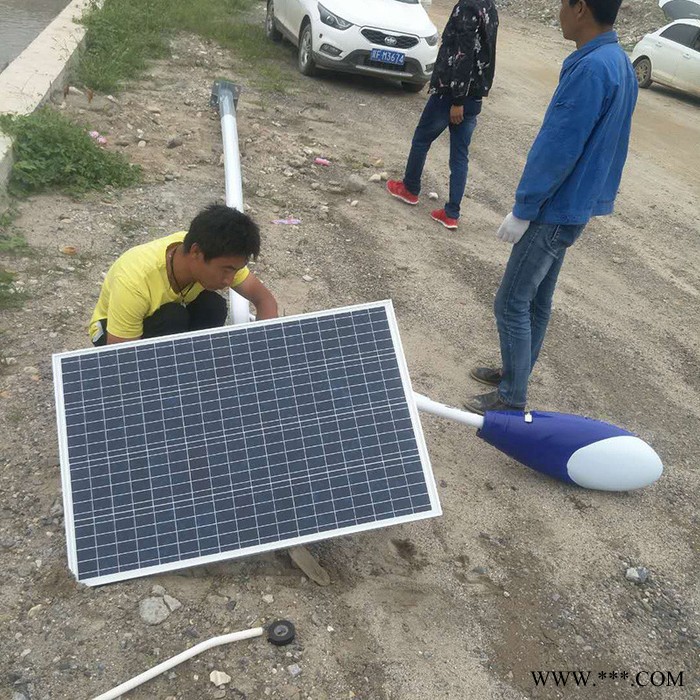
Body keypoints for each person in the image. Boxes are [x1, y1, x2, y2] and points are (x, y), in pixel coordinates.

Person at [465, 0, 638, 414]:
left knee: (511, 301)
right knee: (537, 299)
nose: (559, 11)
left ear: (580, 8)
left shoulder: (593, 68)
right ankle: (515, 373)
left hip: (553, 208)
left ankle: (511, 396)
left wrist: (525, 207)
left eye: (562, 3)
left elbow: (558, 146)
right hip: (574, 205)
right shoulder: (618, 62)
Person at [89, 204, 278, 346]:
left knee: (213, 306)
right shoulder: (134, 280)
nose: (229, 280)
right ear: (196, 252)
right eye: (226, 270)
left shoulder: (218, 252)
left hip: (166, 319)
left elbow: (265, 300)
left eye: (235, 271)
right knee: (173, 317)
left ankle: (192, 367)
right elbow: (120, 360)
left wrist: (261, 351)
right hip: (111, 334)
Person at [386, 0, 498, 230]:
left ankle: (410, 188)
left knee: (421, 139)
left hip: (451, 93)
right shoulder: (490, 7)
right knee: (460, 155)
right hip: (474, 94)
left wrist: (457, 99)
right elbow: (488, 54)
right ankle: (451, 213)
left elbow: (463, 54)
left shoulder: (467, 7)